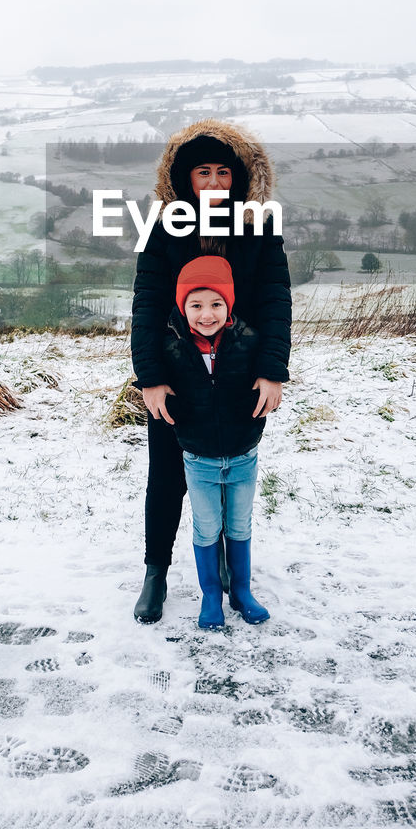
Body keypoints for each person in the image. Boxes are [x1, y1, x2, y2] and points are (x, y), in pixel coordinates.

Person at [131, 119, 291, 623]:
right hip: (177, 377)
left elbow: (274, 302)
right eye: (204, 172)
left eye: (225, 172)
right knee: (166, 478)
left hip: (239, 375)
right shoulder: (162, 227)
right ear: (184, 178)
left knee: (231, 475)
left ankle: (228, 572)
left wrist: (272, 370)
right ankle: (156, 572)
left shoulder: (259, 228)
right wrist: (150, 376)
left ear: (241, 178)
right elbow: (147, 305)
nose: (216, 183)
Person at [165, 254, 271, 628]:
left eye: (215, 304)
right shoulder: (173, 346)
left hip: (243, 454)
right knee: (207, 527)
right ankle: (211, 596)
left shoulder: (248, 341)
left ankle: (241, 593)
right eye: (195, 305)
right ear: (183, 307)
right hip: (199, 458)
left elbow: (265, 375)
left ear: (229, 305)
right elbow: (155, 378)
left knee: (239, 525)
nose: (206, 314)